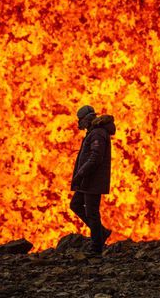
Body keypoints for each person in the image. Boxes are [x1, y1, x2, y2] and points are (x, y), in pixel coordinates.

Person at [70, 105, 116, 254]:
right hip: (87, 181)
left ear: (87, 119)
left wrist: (81, 173)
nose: (79, 123)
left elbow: (96, 158)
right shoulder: (93, 132)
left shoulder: (97, 134)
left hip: (92, 181)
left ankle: (96, 247)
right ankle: (101, 233)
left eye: (81, 120)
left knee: (92, 213)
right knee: (76, 204)